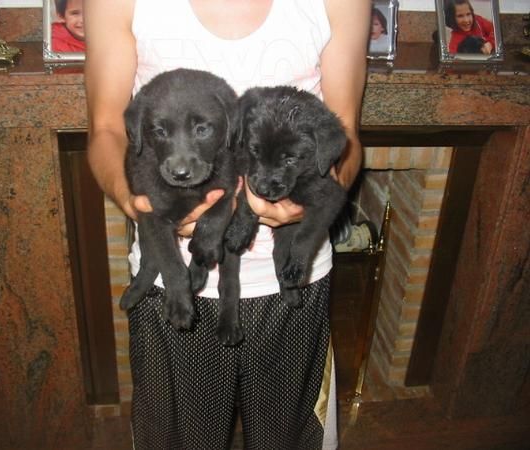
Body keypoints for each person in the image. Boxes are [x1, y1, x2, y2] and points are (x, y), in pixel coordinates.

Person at [84, 0, 370, 448]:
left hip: (291, 280)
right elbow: (106, 127)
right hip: (175, 281)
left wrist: (313, 200)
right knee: (181, 440)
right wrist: (136, 201)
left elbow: (346, 130)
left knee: (287, 440)